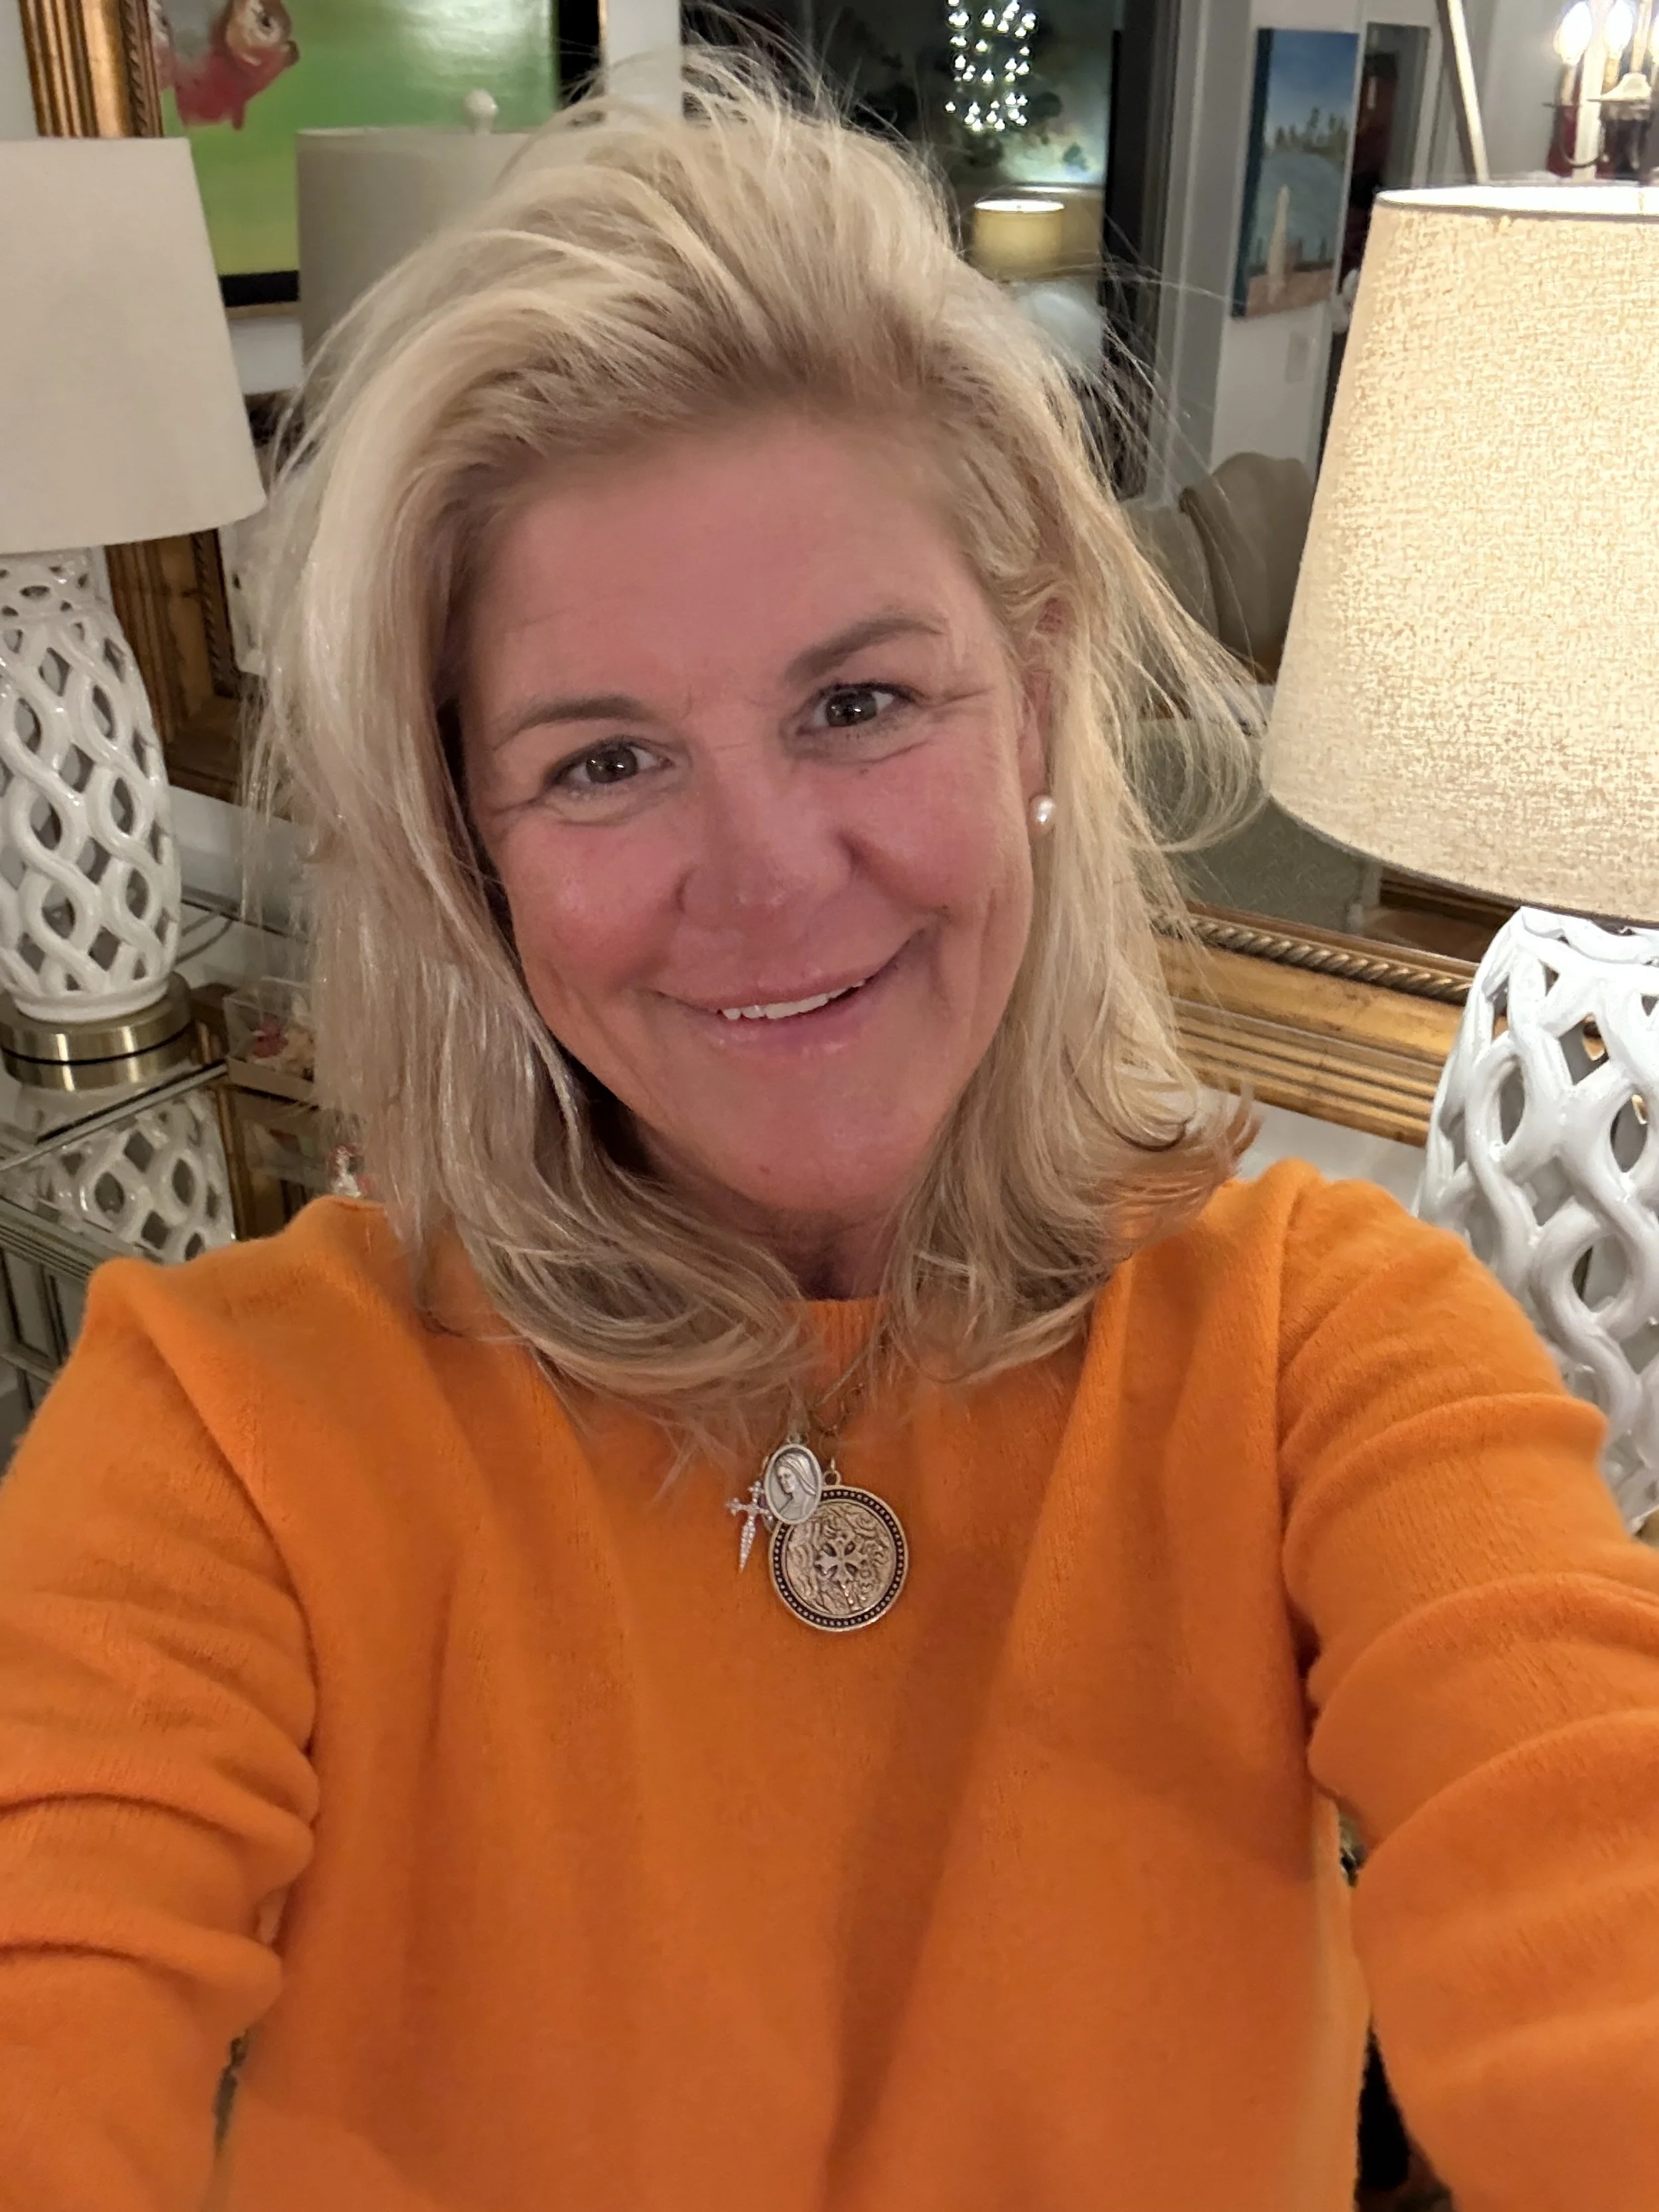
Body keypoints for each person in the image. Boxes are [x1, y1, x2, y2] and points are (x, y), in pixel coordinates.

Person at [1, 58, 1657, 2212]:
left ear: (1033, 695)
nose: (769, 877)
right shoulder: (229, 1428)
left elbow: (1588, 1875)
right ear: (470, 843)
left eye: (856, 702)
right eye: (603, 761)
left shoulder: (1321, 1351)